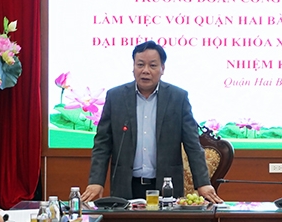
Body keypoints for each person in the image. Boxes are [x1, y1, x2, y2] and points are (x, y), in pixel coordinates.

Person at [81, 41, 222, 203]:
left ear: (162, 68)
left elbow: (192, 145)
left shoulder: (178, 98)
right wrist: (96, 181)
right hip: (125, 186)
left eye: (153, 65)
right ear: (133, 67)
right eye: (140, 64)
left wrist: (203, 183)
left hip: (166, 186)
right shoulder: (116, 97)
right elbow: (102, 144)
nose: (145, 71)